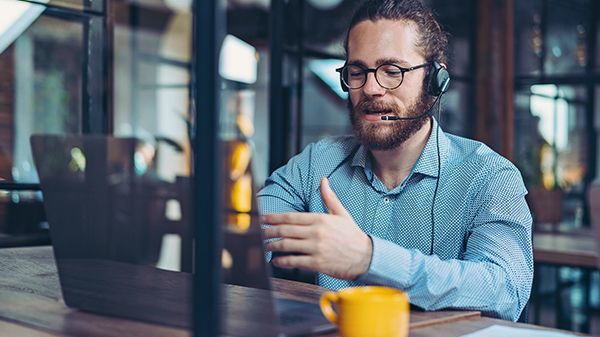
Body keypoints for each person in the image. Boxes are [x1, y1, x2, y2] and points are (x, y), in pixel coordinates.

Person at [258, 0, 532, 322]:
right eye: (357, 72)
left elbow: (504, 290)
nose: (371, 89)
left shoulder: (490, 176)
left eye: (392, 71)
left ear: (435, 79)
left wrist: (369, 258)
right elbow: (246, 232)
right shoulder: (315, 164)